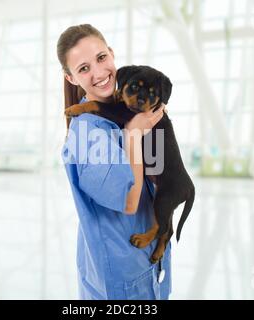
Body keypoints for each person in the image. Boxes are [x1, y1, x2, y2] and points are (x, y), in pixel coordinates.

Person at [58, 24, 171, 300]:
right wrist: (133, 135)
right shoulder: (87, 133)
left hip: (151, 269)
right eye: (83, 69)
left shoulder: (131, 112)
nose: (98, 73)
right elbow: (129, 201)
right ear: (71, 78)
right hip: (120, 284)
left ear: (111, 54)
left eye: (101, 58)